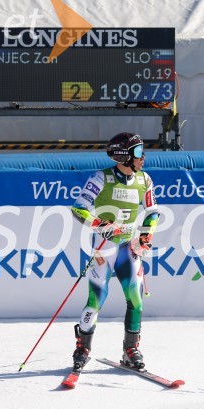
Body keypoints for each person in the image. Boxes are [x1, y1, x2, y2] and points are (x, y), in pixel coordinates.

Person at [70, 133, 160, 372]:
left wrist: (145, 236)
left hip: (128, 249)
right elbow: (78, 209)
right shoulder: (101, 177)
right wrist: (101, 224)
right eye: (138, 152)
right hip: (104, 249)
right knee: (95, 301)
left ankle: (131, 350)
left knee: (136, 300)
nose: (143, 157)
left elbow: (152, 212)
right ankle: (82, 350)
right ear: (124, 155)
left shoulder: (144, 179)